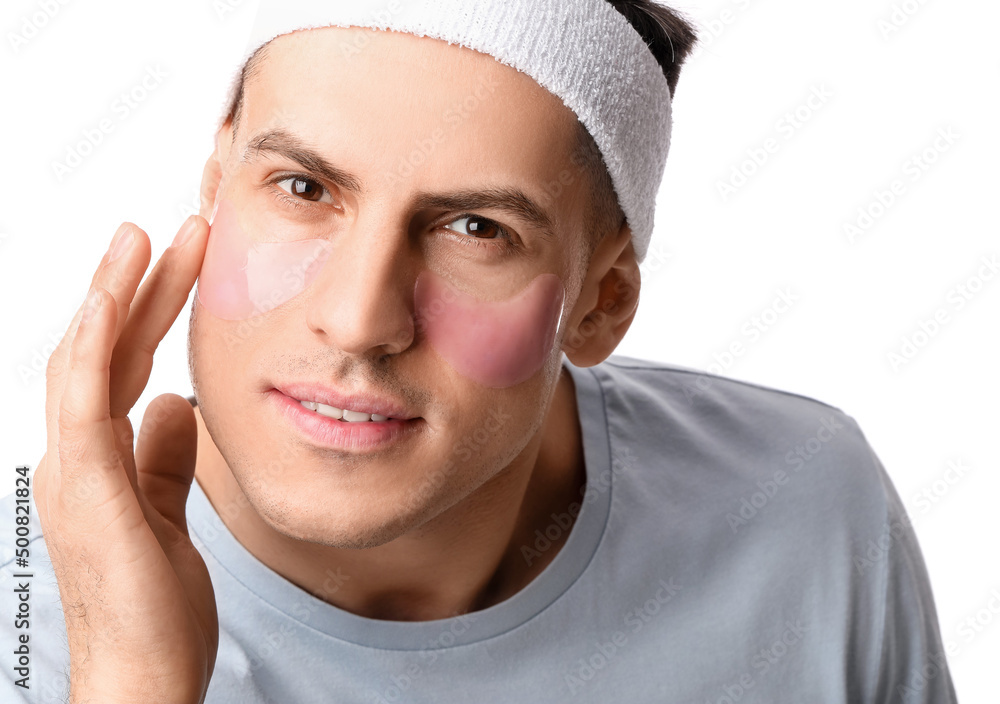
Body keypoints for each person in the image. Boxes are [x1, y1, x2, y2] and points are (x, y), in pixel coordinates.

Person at [2, 0, 958, 702]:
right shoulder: (24, 622)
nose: (360, 319)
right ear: (216, 190)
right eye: (303, 189)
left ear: (603, 302)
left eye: (476, 229)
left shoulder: (802, 509)